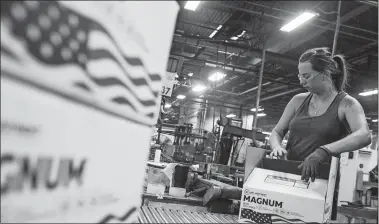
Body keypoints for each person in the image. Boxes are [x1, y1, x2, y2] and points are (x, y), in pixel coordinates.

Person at [269, 47, 371, 182]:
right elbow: (277, 131)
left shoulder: (347, 104)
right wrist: (276, 147)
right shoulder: (297, 101)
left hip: (322, 181)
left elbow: (364, 135)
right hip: (289, 175)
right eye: (300, 76)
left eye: (306, 76)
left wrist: (323, 152)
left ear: (325, 73)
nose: (301, 81)